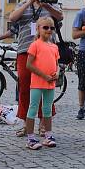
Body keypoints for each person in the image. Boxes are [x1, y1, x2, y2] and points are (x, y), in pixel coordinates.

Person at [8, 0, 64, 135]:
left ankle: (43, 124)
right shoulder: (22, 4)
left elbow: (60, 17)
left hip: (47, 51)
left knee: (46, 87)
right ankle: (27, 124)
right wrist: (28, 3)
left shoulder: (52, 4)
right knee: (25, 87)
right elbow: (12, 18)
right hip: (25, 50)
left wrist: (46, 6)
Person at [24, 17, 60, 150]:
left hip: (50, 83)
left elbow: (57, 65)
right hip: (38, 83)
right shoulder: (35, 45)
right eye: (45, 27)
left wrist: (57, 72)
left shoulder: (54, 46)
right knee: (33, 108)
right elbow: (29, 64)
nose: (49, 30)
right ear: (38, 29)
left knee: (47, 108)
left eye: (51, 28)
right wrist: (44, 76)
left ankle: (48, 135)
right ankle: (30, 138)